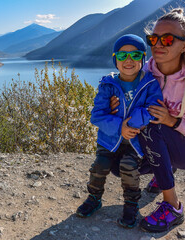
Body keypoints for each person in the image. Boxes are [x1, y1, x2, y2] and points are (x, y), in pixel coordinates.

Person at [110, 8, 185, 232]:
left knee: (154, 127)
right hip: (157, 141)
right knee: (115, 163)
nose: (158, 44)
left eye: (167, 39)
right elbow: (125, 107)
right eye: (153, 38)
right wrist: (117, 108)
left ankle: (173, 206)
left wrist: (175, 122)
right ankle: (164, 170)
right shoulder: (142, 74)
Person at [76, 34, 163, 229]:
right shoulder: (108, 84)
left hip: (135, 140)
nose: (129, 60)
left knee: (128, 166)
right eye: (123, 56)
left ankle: (131, 205)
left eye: (135, 55)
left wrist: (129, 124)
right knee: (100, 165)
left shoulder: (150, 83)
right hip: (109, 140)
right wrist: (119, 127)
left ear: (143, 58)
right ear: (115, 59)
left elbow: (153, 108)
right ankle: (94, 198)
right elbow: (97, 116)